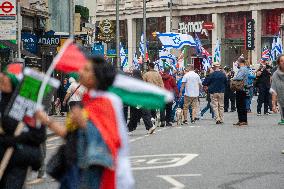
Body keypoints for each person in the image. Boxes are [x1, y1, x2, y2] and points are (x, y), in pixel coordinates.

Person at [36, 56, 134, 189]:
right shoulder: (87, 101)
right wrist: (47, 121)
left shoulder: (106, 102)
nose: (81, 71)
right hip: (75, 169)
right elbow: (70, 135)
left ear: (97, 77)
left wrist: (84, 123)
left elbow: (111, 139)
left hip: (93, 170)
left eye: (87, 69)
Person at [0, 71, 46, 189]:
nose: (2, 84)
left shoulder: (29, 106)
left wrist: (15, 139)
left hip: (18, 160)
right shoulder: (2, 102)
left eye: (5, 81)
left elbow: (39, 135)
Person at [127, 70, 156, 134]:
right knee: (143, 113)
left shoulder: (132, 80)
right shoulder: (141, 80)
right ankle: (150, 126)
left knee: (135, 115)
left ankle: (130, 128)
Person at [233, 58, 250, 126]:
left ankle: (243, 120)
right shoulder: (244, 68)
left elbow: (239, 77)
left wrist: (234, 78)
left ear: (240, 62)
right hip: (242, 88)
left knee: (241, 105)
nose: (237, 63)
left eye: (237, 62)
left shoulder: (242, 69)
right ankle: (241, 120)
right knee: (240, 105)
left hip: (241, 88)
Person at [271, 54, 284, 125]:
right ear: (279, 63)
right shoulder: (275, 75)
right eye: (281, 61)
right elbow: (273, 90)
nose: (283, 62)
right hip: (281, 98)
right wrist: (273, 105)